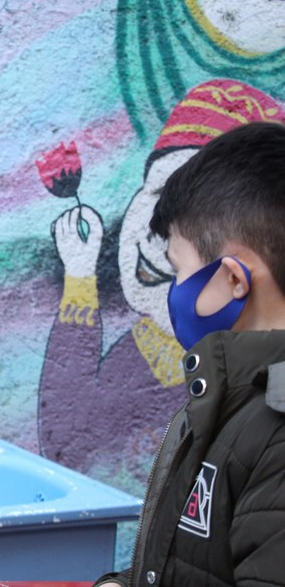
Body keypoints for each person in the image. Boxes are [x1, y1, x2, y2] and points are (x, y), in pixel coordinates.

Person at [94, 121, 285, 586]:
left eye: (179, 270)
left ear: (235, 281)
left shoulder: (274, 428)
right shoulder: (229, 396)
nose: (174, 292)